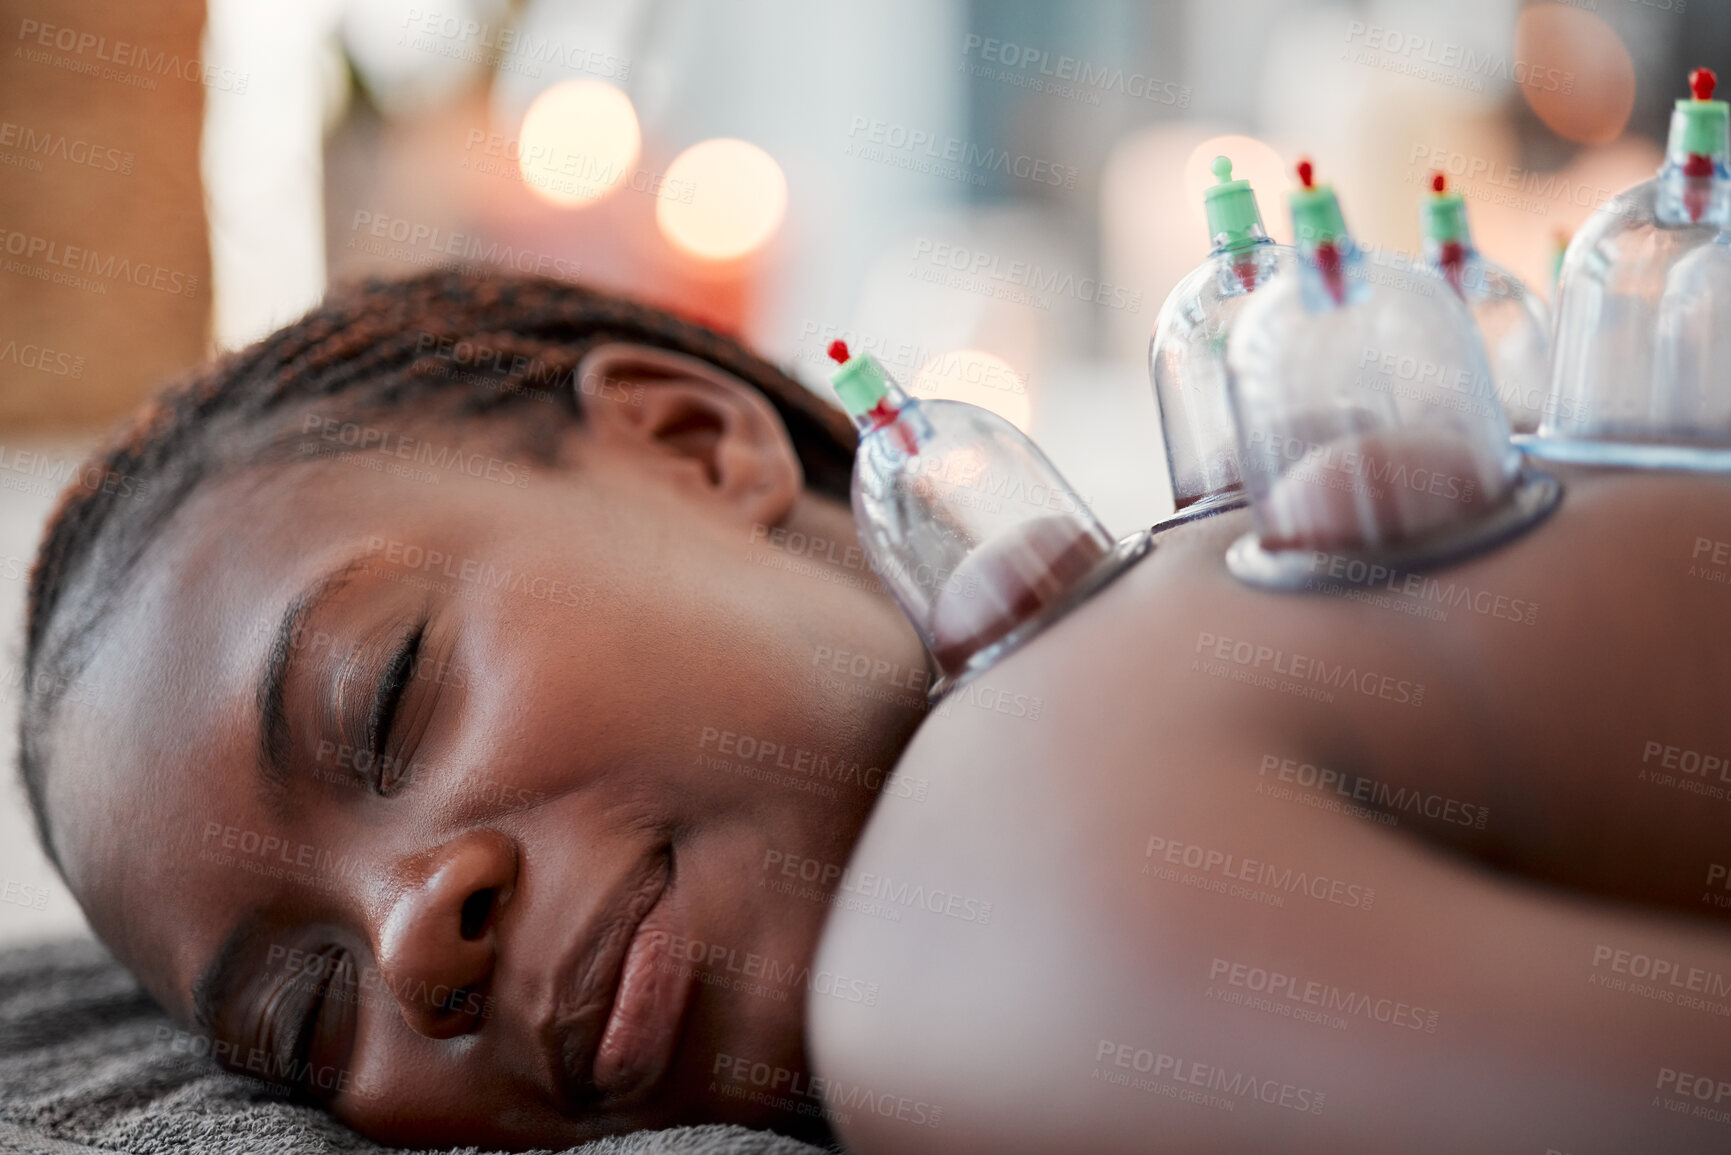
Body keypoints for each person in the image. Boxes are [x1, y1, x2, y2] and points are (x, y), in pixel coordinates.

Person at [18, 270, 1731, 1154]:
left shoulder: (972, 914)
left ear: (697, 447)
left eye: (388, 696)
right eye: (307, 1025)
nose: (411, 938)